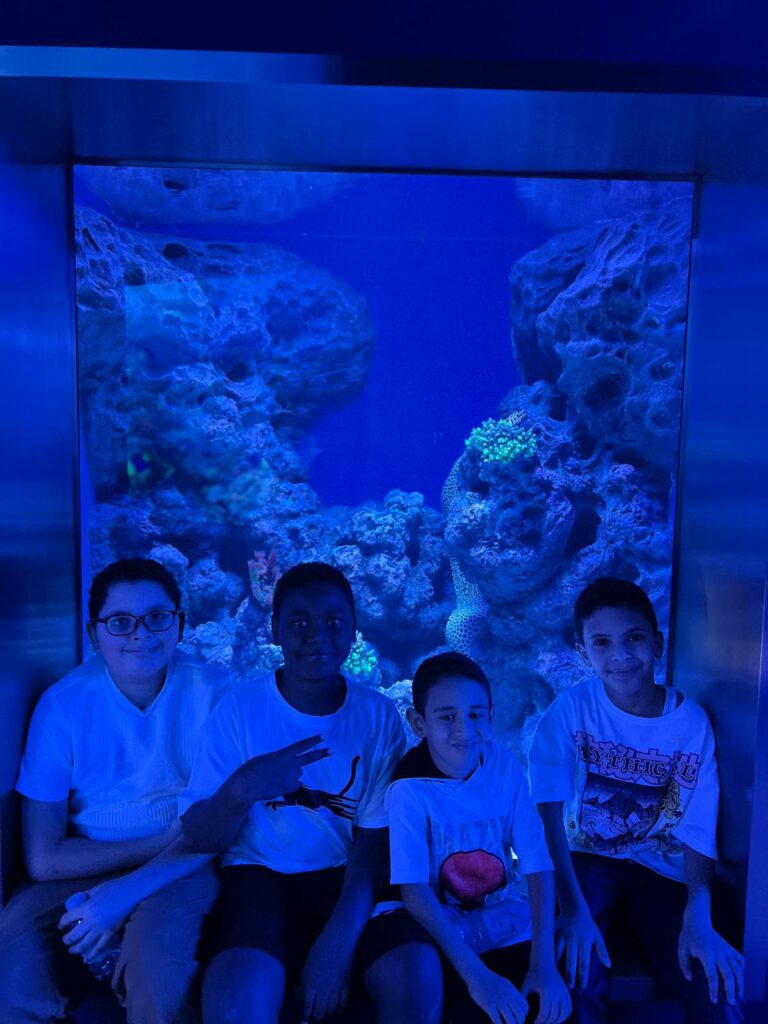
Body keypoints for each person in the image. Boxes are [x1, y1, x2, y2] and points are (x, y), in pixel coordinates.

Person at [176, 561, 440, 1024]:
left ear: (353, 629)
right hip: (258, 878)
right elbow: (199, 835)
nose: (318, 635)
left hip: (349, 876)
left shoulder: (377, 716)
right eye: (299, 623)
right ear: (274, 630)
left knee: (416, 979)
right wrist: (242, 788)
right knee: (235, 1005)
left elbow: (374, 843)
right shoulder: (240, 709)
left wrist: (338, 942)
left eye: (334, 622)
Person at [0, 558, 228, 1024]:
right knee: (13, 952)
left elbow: (217, 830)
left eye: (157, 617)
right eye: (121, 622)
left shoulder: (214, 694)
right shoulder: (62, 707)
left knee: (155, 973)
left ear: (180, 623)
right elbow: (43, 859)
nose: (141, 634)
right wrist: (145, 855)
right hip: (94, 861)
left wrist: (119, 896)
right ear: (94, 633)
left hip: (183, 863)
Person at [528, 576, 745, 1023]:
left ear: (658, 642)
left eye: (634, 638)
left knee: (713, 983)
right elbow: (546, 812)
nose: (621, 655)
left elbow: (698, 828)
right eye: (602, 643)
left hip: (662, 869)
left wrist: (699, 914)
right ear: (583, 653)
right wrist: (572, 907)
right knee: (576, 971)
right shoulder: (572, 709)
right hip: (585, 862)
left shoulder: (691, 724)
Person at [384, 651, 571, 1024]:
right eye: (447, 716)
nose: (464, 731)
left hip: (504, 920)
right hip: (442, 932)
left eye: (475, 715)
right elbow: (414, 891)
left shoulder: (504, 766)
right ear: (418, 723)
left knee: (551, 1006)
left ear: (491, 715)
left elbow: (536, 863)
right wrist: (478, 978)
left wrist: (544, 964)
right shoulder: (408, 788)